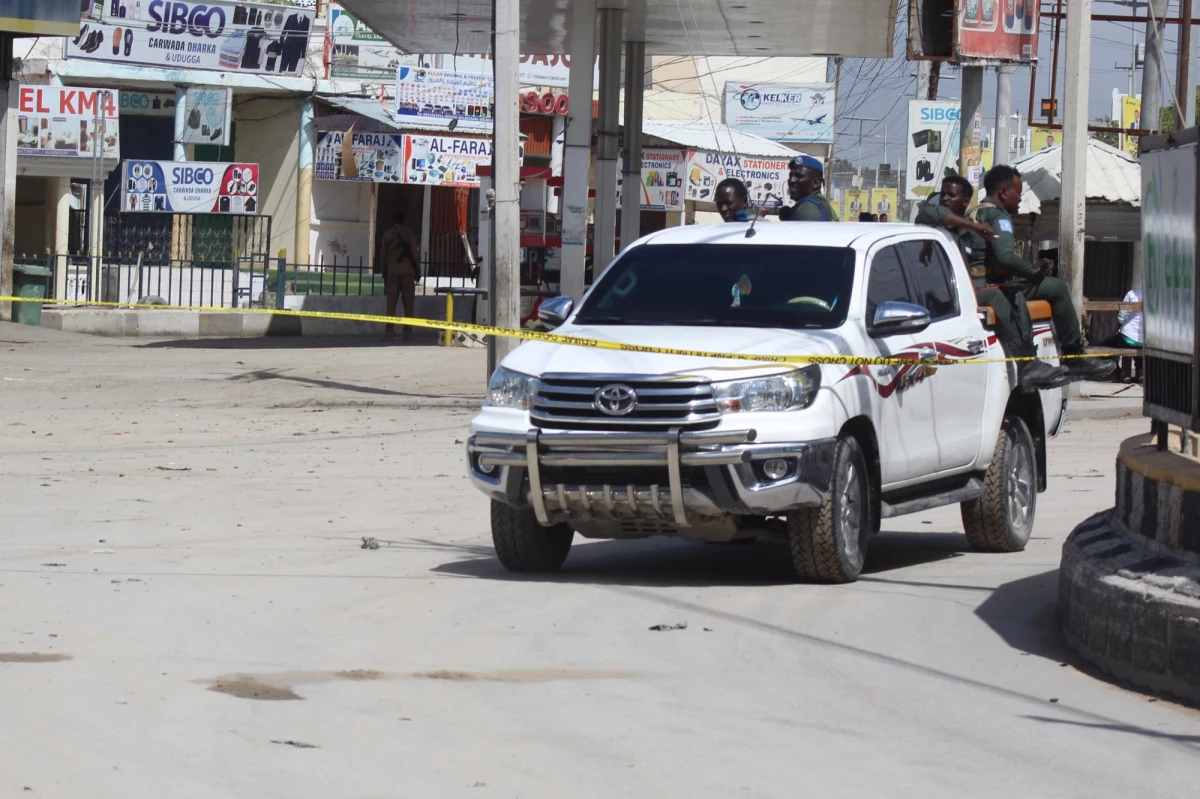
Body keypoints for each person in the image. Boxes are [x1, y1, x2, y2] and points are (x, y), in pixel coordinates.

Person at [916, 175, 1069, 390]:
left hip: (965, 290)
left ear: (966, 199)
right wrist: (975, 226)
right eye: (944, 194)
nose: (945, 199)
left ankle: (1029, 363)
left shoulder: (970, 229)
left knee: (1013, 291)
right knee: (995, 296)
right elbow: (927, 212)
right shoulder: (938, 221)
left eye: (951, 195)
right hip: (944, 293)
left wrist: (1030, 270)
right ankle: (1027, 362)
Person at [968, 165, 1115, 380]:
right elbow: (1005, 258)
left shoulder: (973, 213)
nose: (1020, 199)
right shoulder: (998, 217)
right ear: (1003, 193)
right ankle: (1074, 357)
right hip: (987, 286)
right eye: (1018, 193)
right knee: (1056, 287)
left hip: (974, 284)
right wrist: (1033, 274)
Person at [379, 210, 421, 341]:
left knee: (391, 304)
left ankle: (389, 332)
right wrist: (418, 270)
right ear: (404, 220)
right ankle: (407, 332)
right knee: (408, 304)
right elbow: (414, 253)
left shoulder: (388, 234)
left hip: (392, 272)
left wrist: (384, 273)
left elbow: (383, 256)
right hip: (407, 272)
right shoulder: (408, 234)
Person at [779, 155, 838, 221]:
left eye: (799, 176)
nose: (791, 180)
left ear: (816, 183)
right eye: (790, 176)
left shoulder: (808, 208)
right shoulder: (819, 201)